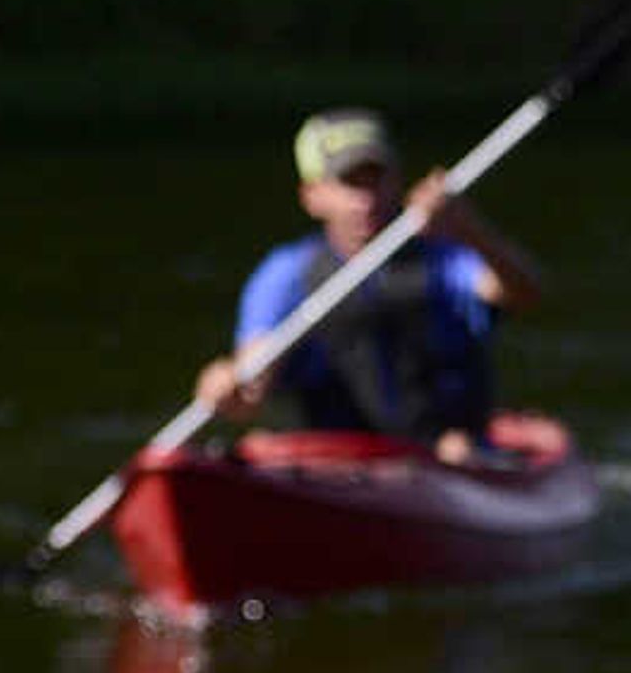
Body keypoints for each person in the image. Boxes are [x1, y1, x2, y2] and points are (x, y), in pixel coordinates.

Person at [193, 110, 539, 465]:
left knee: (457, 450)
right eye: (349, 183)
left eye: (375, 179)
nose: (366, 199)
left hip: (443, 455)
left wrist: (470, 228)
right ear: (312, 196)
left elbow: (523, 293)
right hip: (336, 463)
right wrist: (231, 383)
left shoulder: (444, 258)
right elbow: (255, 371)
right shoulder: (286, 273)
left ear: (397, 179)